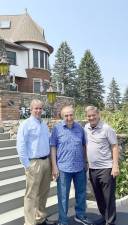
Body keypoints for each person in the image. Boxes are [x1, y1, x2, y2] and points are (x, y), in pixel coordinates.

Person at [50, 105, 93, 225]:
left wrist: (85, 161)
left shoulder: (80, 128)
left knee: (81, 193)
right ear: (62, 116)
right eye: (66, 115)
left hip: (79, 167)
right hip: (63, 168)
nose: (69, 117)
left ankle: (80, 215)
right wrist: (54, 166)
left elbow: (84, 145)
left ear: (74, 115)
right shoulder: (57, 129)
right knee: (63, 196)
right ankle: (63, 220)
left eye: (71, 115)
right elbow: (53, 147)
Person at [17, 99, 56, 225]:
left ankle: (40, 219)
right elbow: (21, 146)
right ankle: (29, 222)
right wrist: (27, 165)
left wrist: (51, 163)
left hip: (46, 162)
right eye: (36, 108)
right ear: (31, 109)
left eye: (40, 108)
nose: (38, 111)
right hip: (34, 163)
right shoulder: (26, 124)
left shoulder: (43, 124)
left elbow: (49, 143)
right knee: (31, 195)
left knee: (43, 193)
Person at [84, 106, 120, 225]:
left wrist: (115, 166)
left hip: (106, 168)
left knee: (108, 198)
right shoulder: (86, 128)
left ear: (98, 115)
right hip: (93, 169)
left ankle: (110, 221)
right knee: (98, 196)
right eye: (89, 116)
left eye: (93, 115)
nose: (91, 118)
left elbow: (114, 147)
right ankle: (104, 216)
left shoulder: (106, 128)